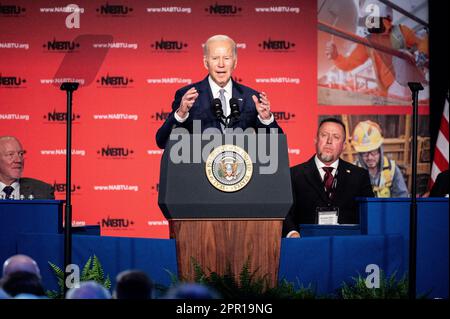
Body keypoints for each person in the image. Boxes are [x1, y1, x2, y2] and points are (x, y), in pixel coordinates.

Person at [156, 34, 283, 149]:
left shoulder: (252, 98)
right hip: (198, 172)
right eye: (215, 58)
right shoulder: (187, 97)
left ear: (235, 62)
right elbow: (162, 141)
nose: (221, 64)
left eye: (227, 58)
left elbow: (277, 147)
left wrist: (266, 119)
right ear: (206, 62)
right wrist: (181, 114)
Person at [283, 118, 374, 238]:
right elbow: (285, 213)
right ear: (316, 140)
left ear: (344, 146)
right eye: (324, 135)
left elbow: (369, 215)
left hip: (346, 248)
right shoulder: (293, 175)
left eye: (336, 137)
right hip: (305, 247)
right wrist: (292, 233)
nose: (329, 141)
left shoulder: (359, 176)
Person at [325, 2, 428, 97]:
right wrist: (336, 57)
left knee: (402, 54)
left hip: (406, 84)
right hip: (389, 91)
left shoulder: (400, 31)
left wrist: (422, 53)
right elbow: (350, 62)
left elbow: (422, 43)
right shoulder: (368, 42)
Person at [351, 120, 409, 198]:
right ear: (360, 154)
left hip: (389, 210)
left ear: (380, 150)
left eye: (373, 152)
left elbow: (402, 198)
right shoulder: (353, 172)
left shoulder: (392, 169)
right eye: (365, 153)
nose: (370, 157)